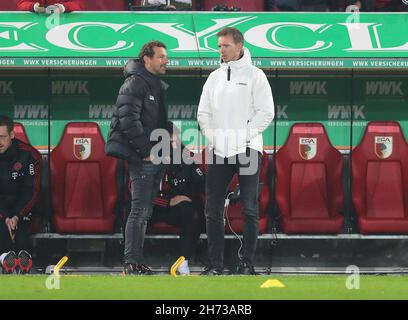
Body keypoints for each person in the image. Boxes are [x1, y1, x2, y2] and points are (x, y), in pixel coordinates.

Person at [197, 27, 274, 275]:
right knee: (213, 208)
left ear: (239, 46)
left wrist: (243, 137)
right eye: (219, 46)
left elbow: (266, 113)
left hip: (249, 149)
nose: (221, 50)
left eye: (226, 46)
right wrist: (215, 137)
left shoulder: (256, 76)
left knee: (250, 207)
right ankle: (215, 265)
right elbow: (203, 114)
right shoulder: (213, 78)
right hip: (219, 149)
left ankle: (246, 264)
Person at [105, 41, 170, 275]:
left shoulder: (153, 84)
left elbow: (155, 120)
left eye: (166, 56)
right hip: (142, 157)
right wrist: (146, 151)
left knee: (144, 212)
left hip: (153, 155)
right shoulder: (134, 83)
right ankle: (131, 263)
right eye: (161, 56)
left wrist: (169, 134)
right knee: (139, 210)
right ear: (147, 59)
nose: (166, 60)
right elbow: (128, 120)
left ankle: (135, 262)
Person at [150, 125, 205, 275]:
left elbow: (202, 185)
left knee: (190, 208)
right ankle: (133, 261)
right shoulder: (150, 158)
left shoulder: (187, 157)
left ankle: (183, 262)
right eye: (171, 138)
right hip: (154, 208)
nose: (176, 141)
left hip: (177, 210)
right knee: (133, 209)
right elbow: (138, 194)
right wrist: (168, 202)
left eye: (176, 137)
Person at [0, 116, 41, 274]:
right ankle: (6, 257)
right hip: (1, 209)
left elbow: (32, 191)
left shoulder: (29, 155)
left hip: (22, 208)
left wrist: (17, 216)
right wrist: (4, 217)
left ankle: (23, 258)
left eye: (2, 137)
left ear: (12, 135)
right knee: (2, 227)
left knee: (22, 226)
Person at [17, 0, 84, 13]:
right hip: (37, 23)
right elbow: (22, 3)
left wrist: (63, 7)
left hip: (65, 21)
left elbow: (78, 4)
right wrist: (33, 7)